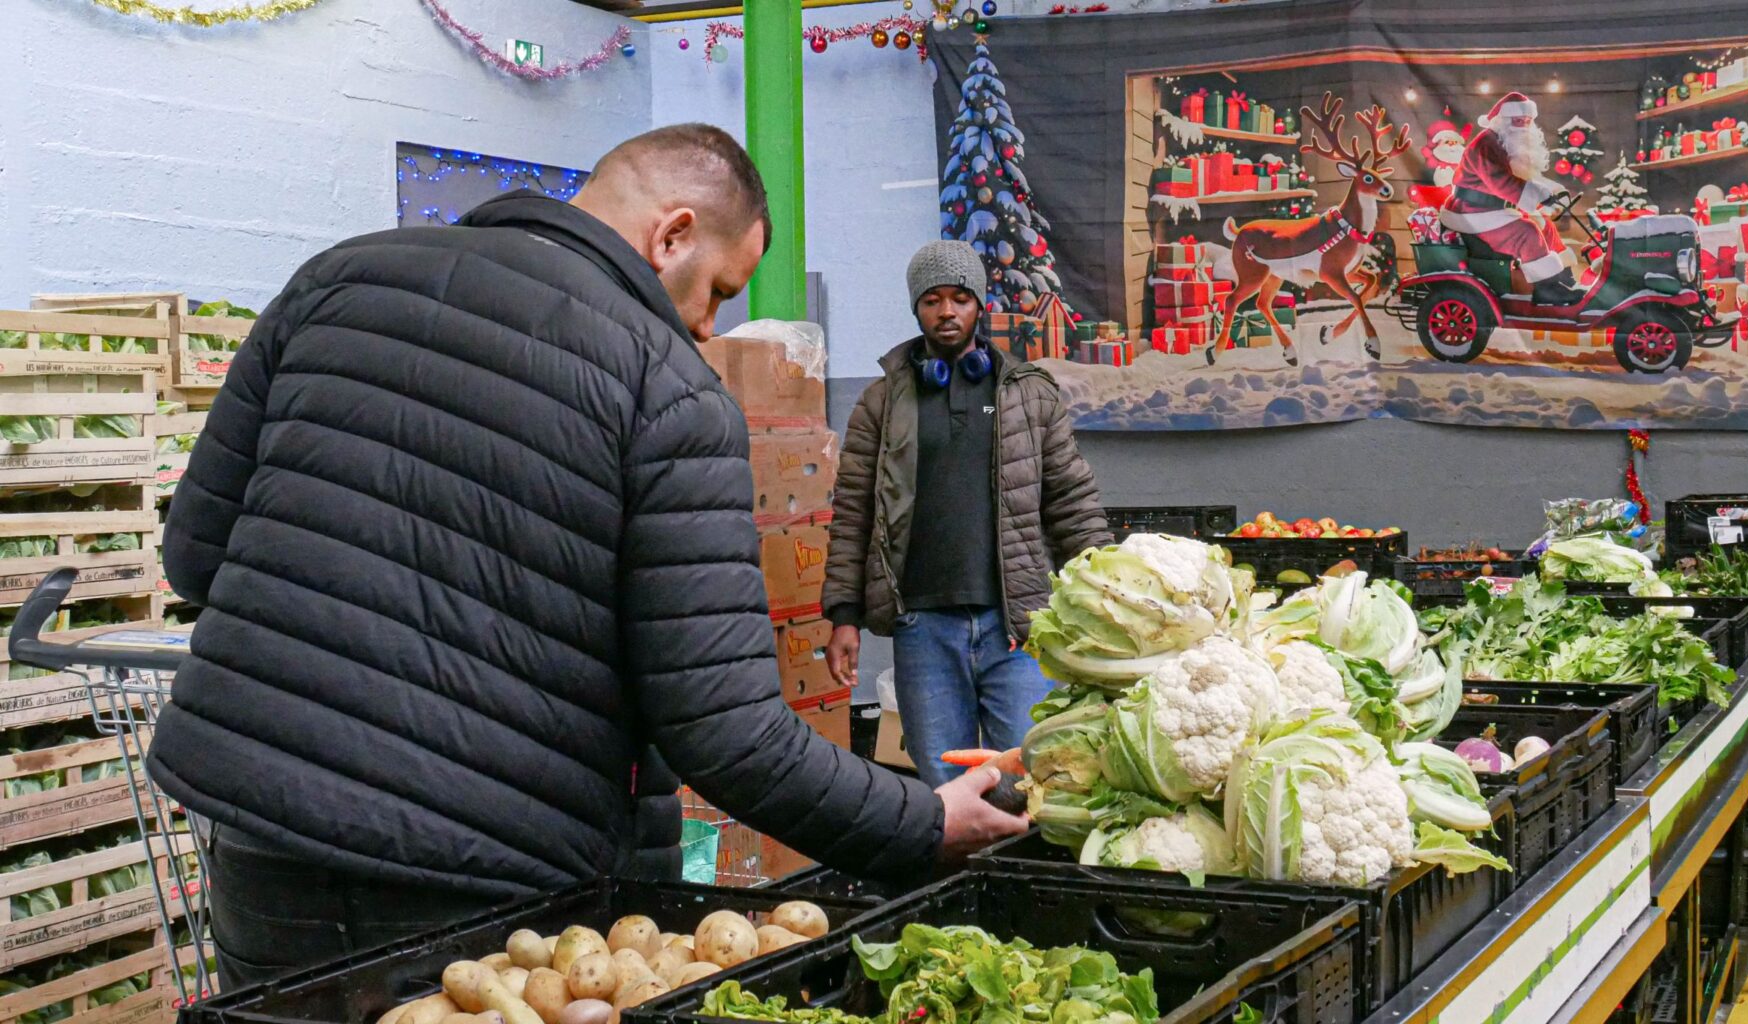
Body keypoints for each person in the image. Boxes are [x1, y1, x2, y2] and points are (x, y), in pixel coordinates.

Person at [148, 125, 1027, 989]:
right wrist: (920, 820)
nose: (708, 325)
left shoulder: (335, 280)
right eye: (717, 291)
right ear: (671, 234)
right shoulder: (668, 390)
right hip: (488, 879)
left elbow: (194, 555)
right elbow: (725, 730)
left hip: (261, 840)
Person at [823, 243, 1110, 785]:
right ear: (916, 308)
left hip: (1018, 626)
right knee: (945, 788)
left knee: (1029, 779)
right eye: (932, 300)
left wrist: (1108, 595)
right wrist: (844, 616)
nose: (947, 311)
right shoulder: (881, 403)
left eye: (960, 298)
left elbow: (1072, 501)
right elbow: (853, 513)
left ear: (980, 304)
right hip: (922, 627)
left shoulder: (1030, 395)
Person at [1439, 92, 1583, 305]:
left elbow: (1523, 178)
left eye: (1527, 121)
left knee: (1545, 226)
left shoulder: (1507, 143)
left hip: (1496, 209)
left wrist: (1548, 192)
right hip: (1472, 212)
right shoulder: (1486, 144)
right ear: (1502, 120)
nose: (1523, 126)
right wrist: (1540, 194)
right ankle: (1546, 290)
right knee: (1527, 232)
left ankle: (1562, 278)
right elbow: (1502, 182)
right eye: (1517, 121)